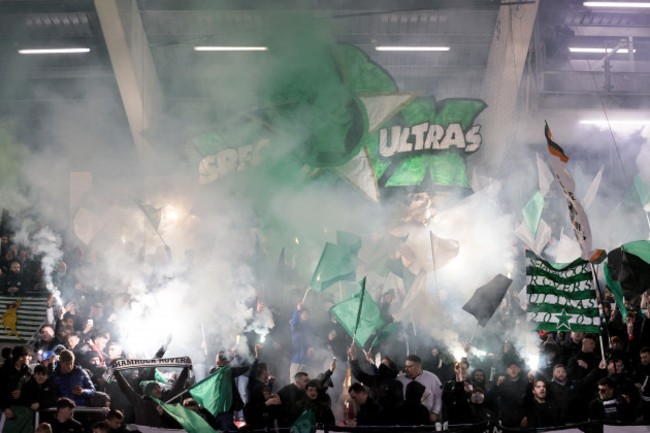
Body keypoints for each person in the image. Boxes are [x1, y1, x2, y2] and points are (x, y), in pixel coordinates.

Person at [347, 344, 403, 415]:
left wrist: (354, 357)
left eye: (383, 363)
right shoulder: (380, 380)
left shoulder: (381, 381)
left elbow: (359, 375)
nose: (380, 365)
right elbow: (360, 375)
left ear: (389, 367)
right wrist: (354, 357)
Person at [397, 354, 443, 423]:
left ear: (418, 367)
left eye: (409, 367)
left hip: (427, 418)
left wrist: (435, 412)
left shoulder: (432, 378)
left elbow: (439, 397)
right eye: (405, 366)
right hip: (404, 418)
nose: (406, 369)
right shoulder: (399, 379)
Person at [0, 345, 33, 433]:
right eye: (28, 356)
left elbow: (31, 391)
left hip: (23, 411)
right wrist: (5, 408)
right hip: (5, 411)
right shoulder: (4, 371)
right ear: (21, 357)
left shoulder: (28, 372)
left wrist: (22, 394)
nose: (30, 358)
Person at [290, 302, 317, 379]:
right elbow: (293, 323)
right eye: (303, 313)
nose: (305, 314)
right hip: (296, 360)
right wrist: (297, 310)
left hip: (308, 362)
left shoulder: (312, 328)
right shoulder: (296, 326)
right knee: (294, 384)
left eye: (307, 313)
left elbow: (315, 341)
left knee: (306, 386)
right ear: (300, 315)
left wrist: (313, 348)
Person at [442, 359, 472, 424]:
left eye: (465, 368)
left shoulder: (471, 384)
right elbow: (446, 400)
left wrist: (469, 393)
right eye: (461, 368)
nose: (463, 371)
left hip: (469, 418)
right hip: (454, 417)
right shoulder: (450, 384)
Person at [633, 346, 650, 423]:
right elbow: (635, 382)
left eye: (645, 357)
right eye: (641, 357)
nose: (643, 360)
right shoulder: (639, 367)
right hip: (643, 400)